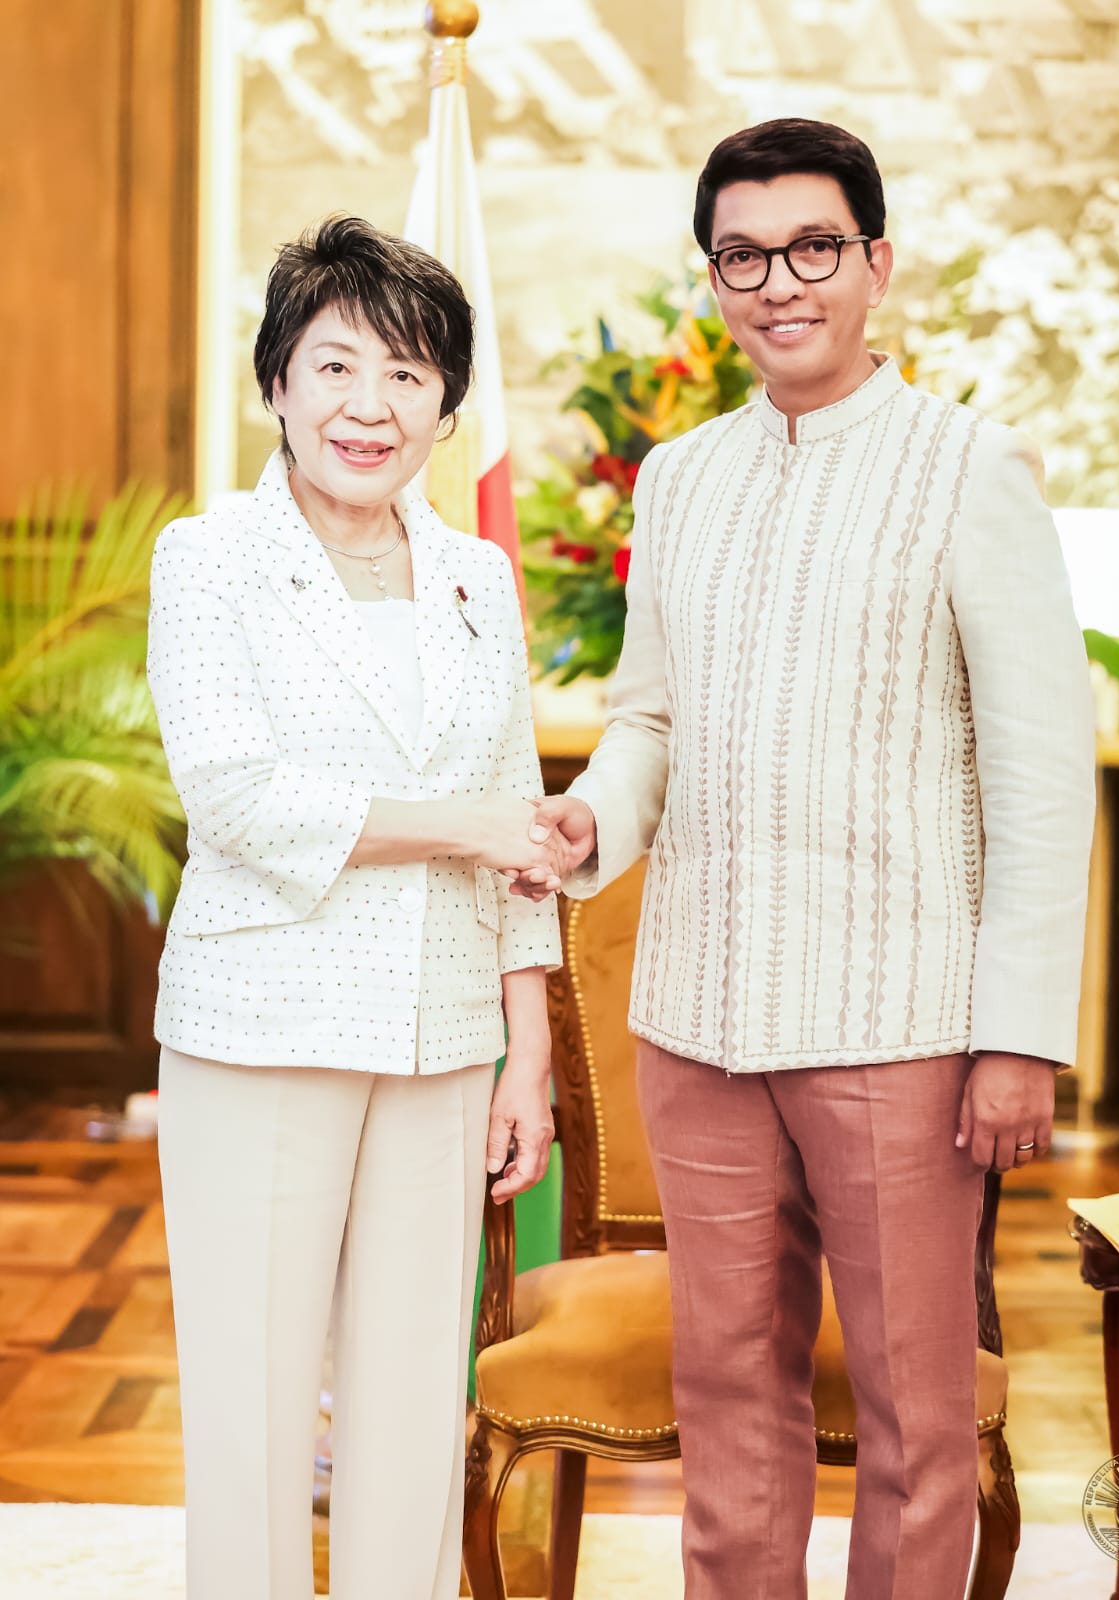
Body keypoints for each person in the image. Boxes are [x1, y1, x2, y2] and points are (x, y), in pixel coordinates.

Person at [512, 120, 1095, 1599]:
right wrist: (595, 817)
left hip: (901, 1030)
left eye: (813, 248)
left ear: (875, 264)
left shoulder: (969, 468)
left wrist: (1019, 1037)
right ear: (714, 280)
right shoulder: (680, 478)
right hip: (698, 1018)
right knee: (727, 1406)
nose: (780, 283)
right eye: (744, 257)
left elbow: (1041, 777)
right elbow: (649, 718)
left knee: (915, 1419)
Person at [147, 215, 564, 1600]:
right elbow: (240, 800)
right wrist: (467, 827)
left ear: (447, 405)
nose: (367, 406)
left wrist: (529, 1049)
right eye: (334, 366)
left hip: (444, 1036)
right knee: (254, 1408)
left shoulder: (477, 575)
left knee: (413, 1403)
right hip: (261, 1025)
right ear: (277, 382)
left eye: (406, 372)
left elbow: (518, 810)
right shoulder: (209, 558)